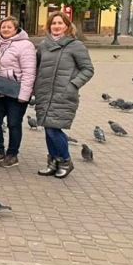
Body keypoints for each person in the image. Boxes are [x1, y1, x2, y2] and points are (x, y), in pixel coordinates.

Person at [34, 12, 93, 179]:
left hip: (64, 94)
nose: (57, 26)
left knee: (54, 129)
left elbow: (88, 69)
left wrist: (73, 85)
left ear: (67, 26)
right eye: (53, 23)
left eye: (60, 23)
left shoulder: (76, 46)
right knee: (47, 128)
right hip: (44, 93)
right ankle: (54, 161)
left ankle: (66, 161)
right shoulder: (44, 45)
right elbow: (37, 68)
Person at [0, 16, 37, 168]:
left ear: (16, 29)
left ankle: (12, 154)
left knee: (14, 124)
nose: (5, 29)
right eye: (3, 27)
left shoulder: (25, 45)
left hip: (16, 91)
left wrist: (24, 95)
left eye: (9, 27)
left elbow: (29, 72)